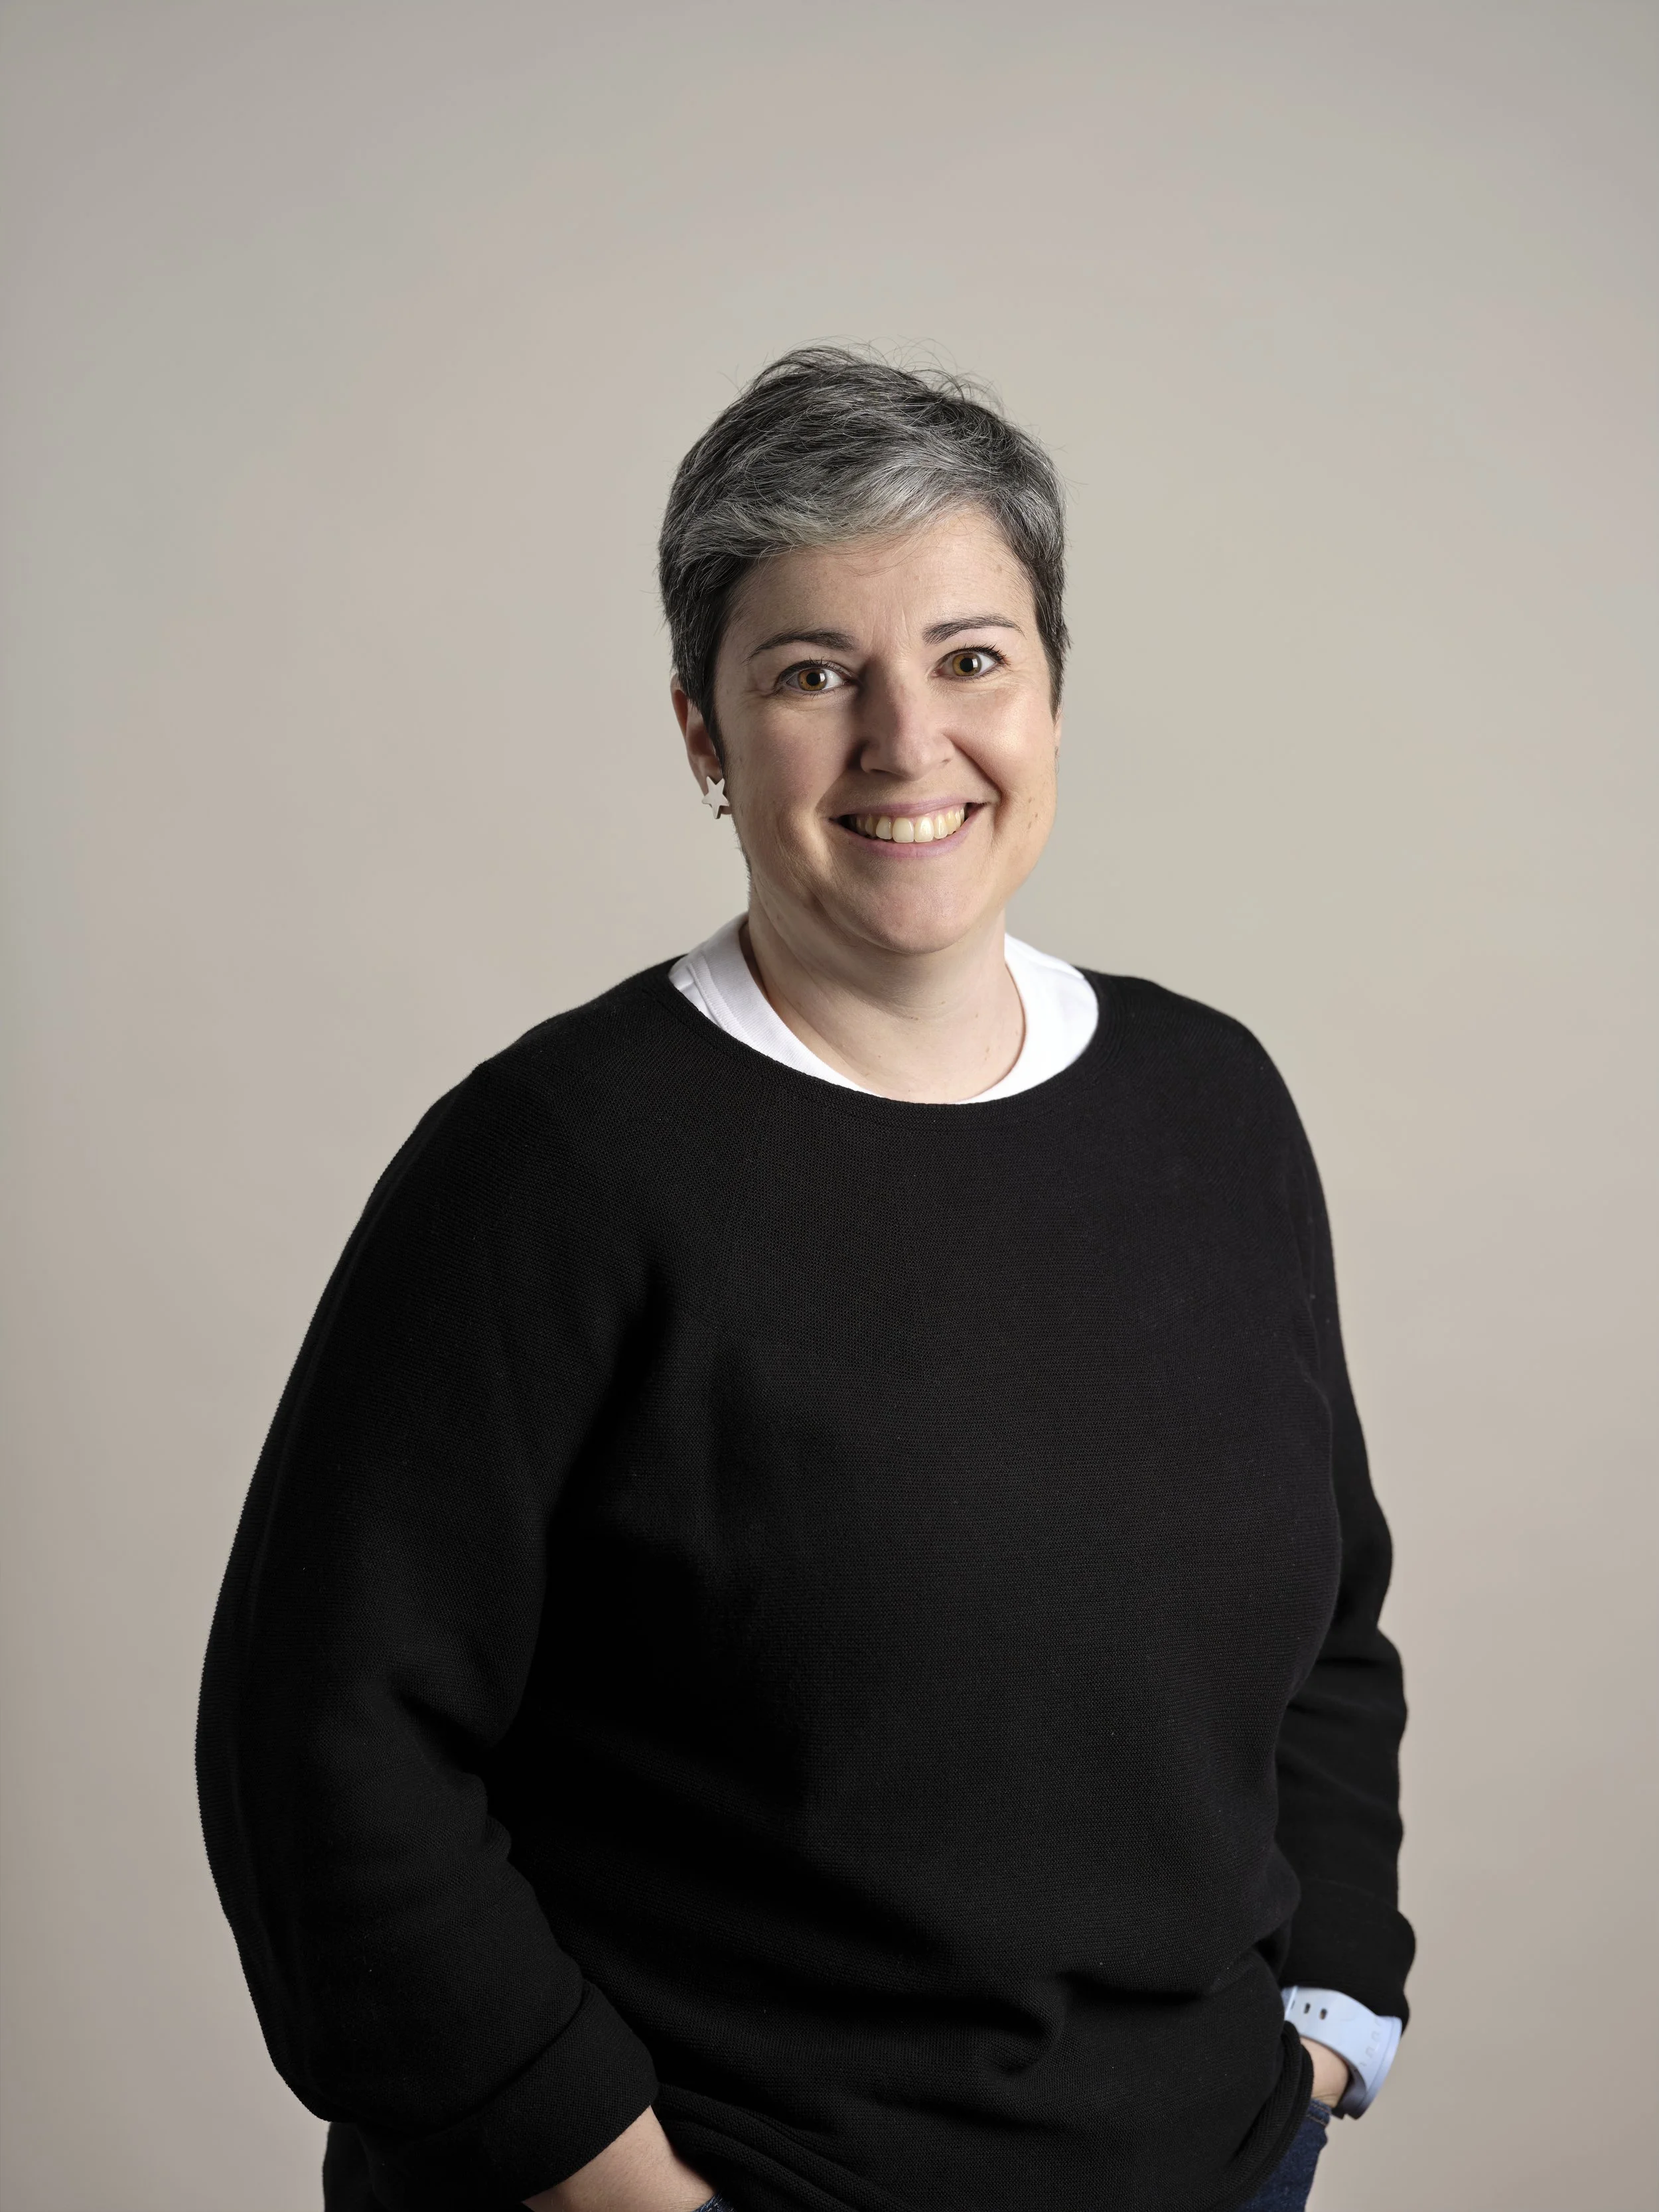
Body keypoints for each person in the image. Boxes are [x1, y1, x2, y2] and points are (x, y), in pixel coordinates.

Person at [197, 348, 1412, 2212]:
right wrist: (610, 2178)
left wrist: (1332, 2006)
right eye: (810, 672)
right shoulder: (556, 1162)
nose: (904, 742)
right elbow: (325, 1748)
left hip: (1216, 2169)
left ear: (1054, 691)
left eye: (968, 656)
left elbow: (1326, 1623)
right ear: (701, 732)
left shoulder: (1208, 1099)